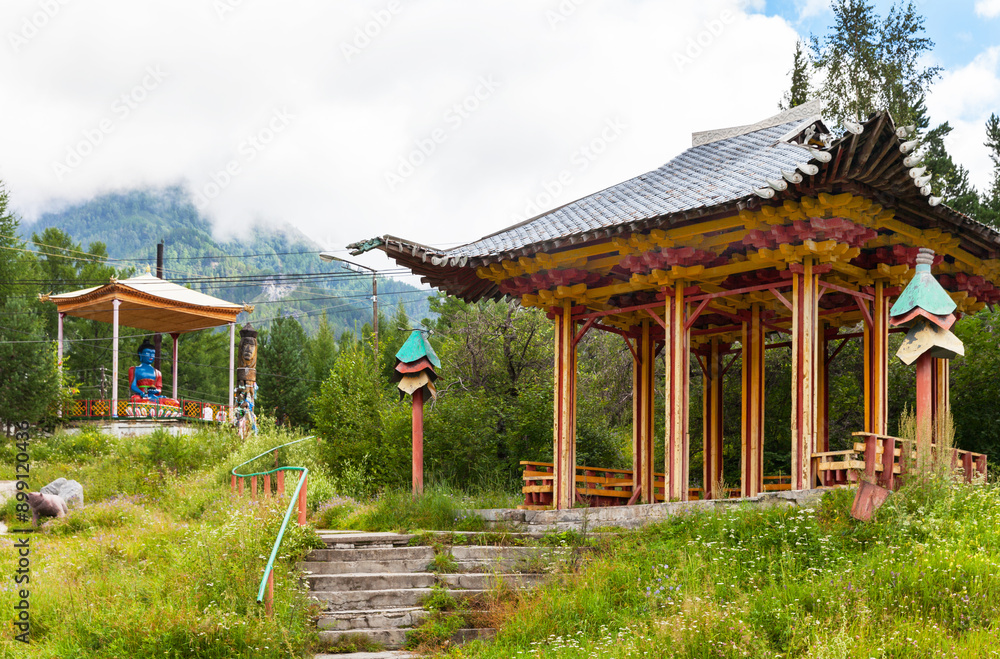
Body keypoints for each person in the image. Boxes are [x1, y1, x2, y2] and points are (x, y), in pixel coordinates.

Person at [129, 340, 179, 406]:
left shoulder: (157, 373)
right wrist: (141, 393)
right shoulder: (134, 369)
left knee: (175, 402)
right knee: (135, 399)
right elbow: (133, 386)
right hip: (141, 396)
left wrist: (155, 391)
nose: (151, 356)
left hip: (153, 397)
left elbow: (159, 389)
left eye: (153, 354)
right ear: (140, 353)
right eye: (147, 353)